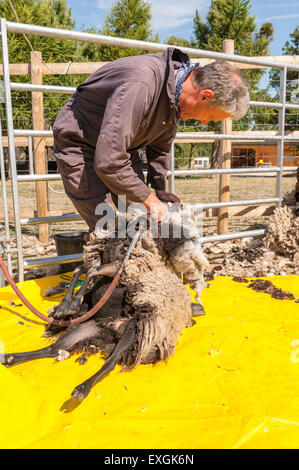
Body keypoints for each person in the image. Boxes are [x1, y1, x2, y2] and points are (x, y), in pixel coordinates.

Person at [53, 48, 249, 232]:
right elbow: (109, 160)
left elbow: (161, 146)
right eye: (211, 116)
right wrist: (149, 198)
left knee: (142, 220)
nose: (205, 122)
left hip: (121, 151)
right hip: (82, 143)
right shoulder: (141, 84)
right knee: (108, 226)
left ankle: (134, 264)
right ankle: (107, 265)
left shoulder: (174, 95)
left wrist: (159, 189)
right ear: (205, 96)